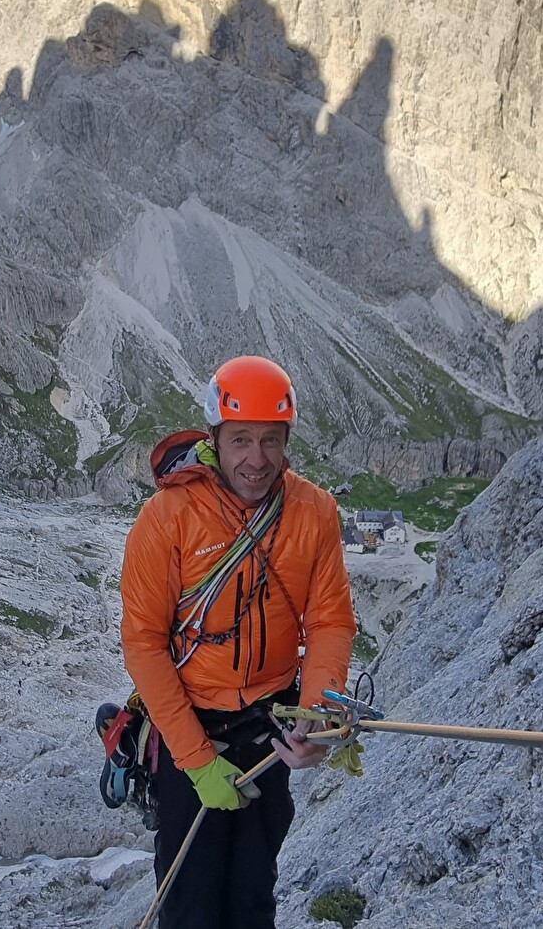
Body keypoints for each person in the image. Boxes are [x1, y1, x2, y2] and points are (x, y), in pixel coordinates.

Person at [119, 354, 357, 929]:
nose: (257, 459)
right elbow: (144, 643)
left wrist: (315, 717)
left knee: (253, 899)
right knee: (190, 908)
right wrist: (197, 760)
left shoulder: (313, 511)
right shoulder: (167, 518)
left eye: (271, 440)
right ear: (214, 437)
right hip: (189, 730)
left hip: (271, 724)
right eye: (242, 439)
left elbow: (328, 621)